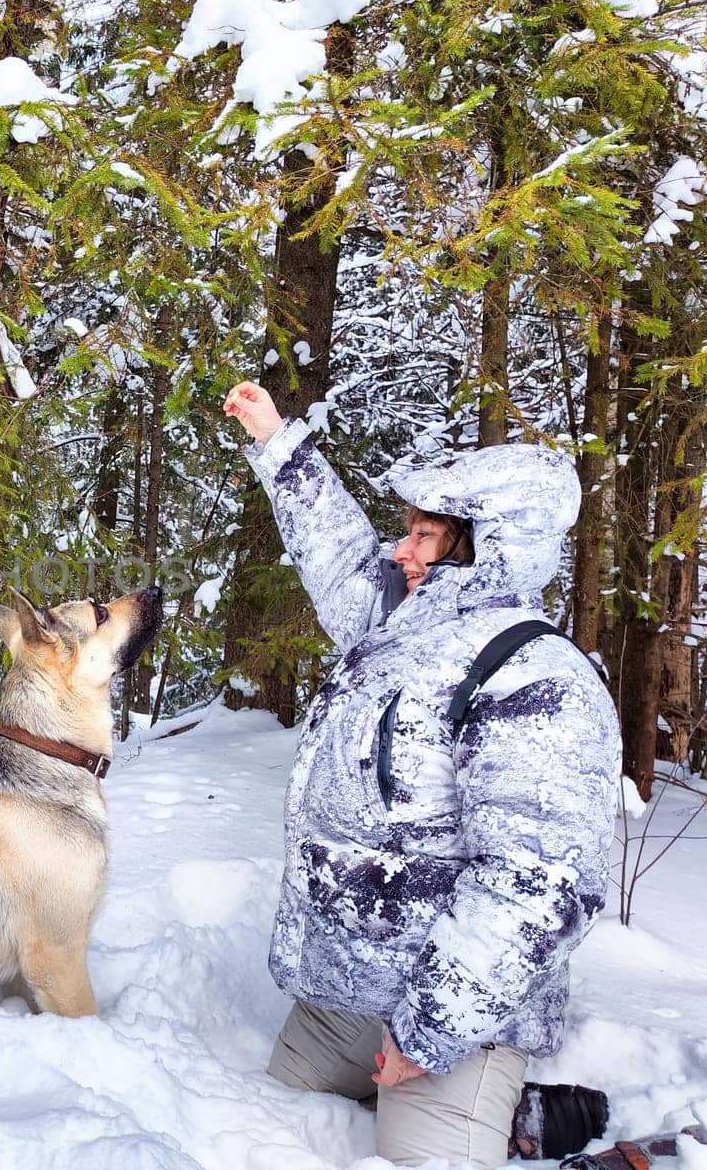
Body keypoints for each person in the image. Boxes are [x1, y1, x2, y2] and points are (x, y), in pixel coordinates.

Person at [223, 381, 622, 1169]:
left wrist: (430, 1028)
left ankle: (516, 1110)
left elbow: (535, 887)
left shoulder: (538, 680)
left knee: (425, 1162)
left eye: (425, 538)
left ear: (488, 547)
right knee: (275, 1102)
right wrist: (278, 445)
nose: (400, 551)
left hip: (450, 1008)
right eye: (407, 532)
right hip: (353, 984)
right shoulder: (402, 619)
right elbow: (338, 558)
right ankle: (463, 1098)